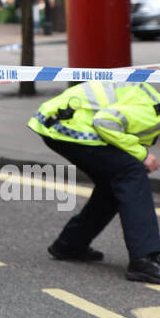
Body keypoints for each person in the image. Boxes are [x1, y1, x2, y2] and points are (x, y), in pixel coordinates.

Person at [27, 80, 160, 282]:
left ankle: (70, 244)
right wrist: (141, 155)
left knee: (113, 183)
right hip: (67, 125)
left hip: (60, 120)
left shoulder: (152, 103)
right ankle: (144, 260)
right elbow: (104, 122)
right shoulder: (150, 112)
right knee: (130, 171)